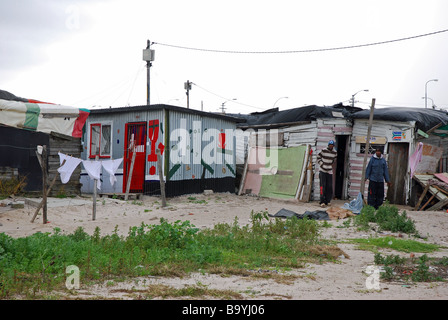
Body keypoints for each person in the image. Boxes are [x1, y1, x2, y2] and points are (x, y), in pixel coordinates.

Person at [317, 140, 337, 207]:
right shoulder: (323, 150)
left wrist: (330, 164)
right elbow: (318, 157)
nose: (331, 146)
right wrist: (322, 164)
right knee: (323, 186)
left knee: (329, 186)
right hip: (322, 170)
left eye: (332, 145)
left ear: (333, 146)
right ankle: (322, 201)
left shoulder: (335, 152)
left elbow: (334, 160)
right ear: (328, 145)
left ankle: (328, 201)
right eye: (330, 145)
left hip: (329, 171)